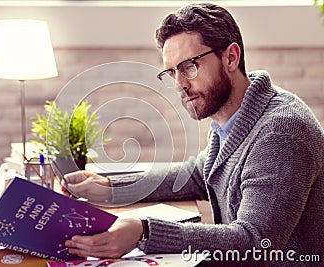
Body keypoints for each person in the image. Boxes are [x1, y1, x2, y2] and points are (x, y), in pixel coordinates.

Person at [62, 3, 324, 266]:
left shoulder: (279, 135)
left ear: (231, 57)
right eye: (172, 71)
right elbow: (200, 173)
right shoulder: (234, 115)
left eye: (189, 66)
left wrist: (145, 231)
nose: (180, 84)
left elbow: (255, 242)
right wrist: (111, 187)